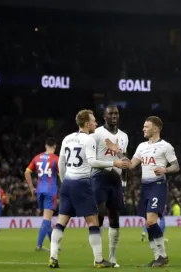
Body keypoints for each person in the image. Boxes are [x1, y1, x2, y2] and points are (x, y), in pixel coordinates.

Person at [49, 109, 130, 268]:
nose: (95, 123)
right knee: (93, 222)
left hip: (67, 184)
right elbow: (93, 162)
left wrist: (64, 181)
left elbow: (60, 163)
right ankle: (99, 260)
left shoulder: (67, 138)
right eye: (93, 121)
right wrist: (114, 163)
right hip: (82, 183)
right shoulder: (89, 139)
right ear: (87, 124)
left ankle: (53, 256)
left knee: (61, 222)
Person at [106, 116, 179, 267]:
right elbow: (131, 165)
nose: (143, 129)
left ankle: (163, 256)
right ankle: (157, 256)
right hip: (145, 187)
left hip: (158, 185)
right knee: (148, 223)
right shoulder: (141, 146)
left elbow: (176, 166)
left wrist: (165, 169)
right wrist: (116, 151)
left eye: (146, 126)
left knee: (151, 221)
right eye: (144, 126)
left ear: (156, 129)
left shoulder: (165, 146)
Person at [90, 105, 129, 267]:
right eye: (110, 113)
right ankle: (98, 257)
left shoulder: (124, 136)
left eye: (116, 113)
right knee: (99, 214)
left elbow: (125, 160)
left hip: (116, 180)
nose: (114, 116)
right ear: (104, 116)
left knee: (115, 216)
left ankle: (112, 257)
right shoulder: (97, 133)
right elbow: (90, 158)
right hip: (99, 177)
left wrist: (124, 184)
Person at [25, 138, 59, 251]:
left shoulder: (37, 158)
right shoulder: (56, 159)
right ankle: (39, 245)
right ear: (55, 146)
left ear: (45, 146)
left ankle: (54, 244)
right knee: (47, 218)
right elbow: (61, 175)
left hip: (39, 190)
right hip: (50, 190)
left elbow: (27, 172)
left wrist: (31, 188)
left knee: (47, 218)